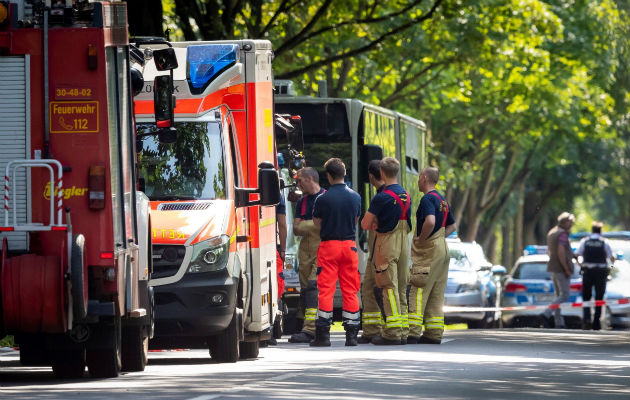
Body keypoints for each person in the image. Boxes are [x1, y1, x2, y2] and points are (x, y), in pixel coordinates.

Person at [310, 158, 362, 347]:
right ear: (344, 174)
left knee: (326, 290)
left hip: (329, 247)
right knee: (350, 290)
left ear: (329, 176)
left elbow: (317, 223)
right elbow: (356, 219)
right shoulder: (356, 197)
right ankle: (352, 336)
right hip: (349, 247)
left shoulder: (322, 198)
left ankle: (323, 335)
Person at [360, 157, 411, 345]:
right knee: (400, 287)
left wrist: (374, 221)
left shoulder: (381, 197)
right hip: (403, 243)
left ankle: (392, 332)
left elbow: (365, 224)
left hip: (386, 244)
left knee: (388, 287)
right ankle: (403, 330)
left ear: (381, 172)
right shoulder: (406, 194)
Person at [408, 167, 456, 345]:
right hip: (443, 250)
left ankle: (413, 331)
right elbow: (453, 226)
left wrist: (422, 238)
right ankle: (434, 333)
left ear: (425, 178)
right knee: (436, 292)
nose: (418, 180)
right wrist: (438, 237)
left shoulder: (427, 199)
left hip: (429, 251)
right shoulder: (442, 200)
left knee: (419, 288)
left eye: (419, 177)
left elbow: (430, 221)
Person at [288, 167, 326, 343]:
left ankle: (310, 329)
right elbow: (296, 229)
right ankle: (303, 325)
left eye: (300, 181)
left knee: (313, 287)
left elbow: (324, 225)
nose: (298, 184)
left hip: (321, 250)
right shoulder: (303, 202)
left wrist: (306, 224)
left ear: (310, 178)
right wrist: (315, 224)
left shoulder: (325, 198)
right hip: (305, 252)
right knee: (305, 290)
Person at [358, 160, 386, 344]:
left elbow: (366, 224)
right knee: (387, 288)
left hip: (379, 249)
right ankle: (384, 328)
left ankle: (372, 330)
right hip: (387, 248)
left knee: (369, 287)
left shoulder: (380, 197)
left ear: (371, 176)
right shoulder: (399, 194)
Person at [575, 221, 615, 330]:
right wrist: (610, 269)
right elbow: (612, 258)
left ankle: (587, 319)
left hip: (587, 271)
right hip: (601, 272)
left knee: (586, 296)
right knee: (599, 297)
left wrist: (581, 265)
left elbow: (576, 254)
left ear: (592, 230)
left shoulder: (585, 241)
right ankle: (596, 322)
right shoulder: (604, 242)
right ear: (600, 231)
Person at [544, 212, 576, 329]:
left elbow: (549, 251)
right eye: (571, 222)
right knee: (565, 295)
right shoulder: (562, 234)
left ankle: (559, 322)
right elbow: (561, 252)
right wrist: (566, 268)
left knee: (558, 295)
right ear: (565, 222)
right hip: (560, 269)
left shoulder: (552, 232)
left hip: (552, 267)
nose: (572, 225)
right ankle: (546, 313)